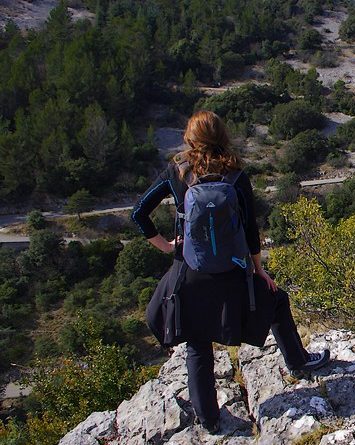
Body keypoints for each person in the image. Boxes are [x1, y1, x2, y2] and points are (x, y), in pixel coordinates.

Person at [132, 110, 330, 433]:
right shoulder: (235, 173)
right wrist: (259, 271)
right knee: (277, 300)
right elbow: (251, 230)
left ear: (190, 138)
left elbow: (139, 213)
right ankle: (298, 362)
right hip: (233, 274)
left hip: (189, 274)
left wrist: (168, 246)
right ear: (223, 135)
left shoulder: (176, 171)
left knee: (197, 345)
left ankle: (210, 421)